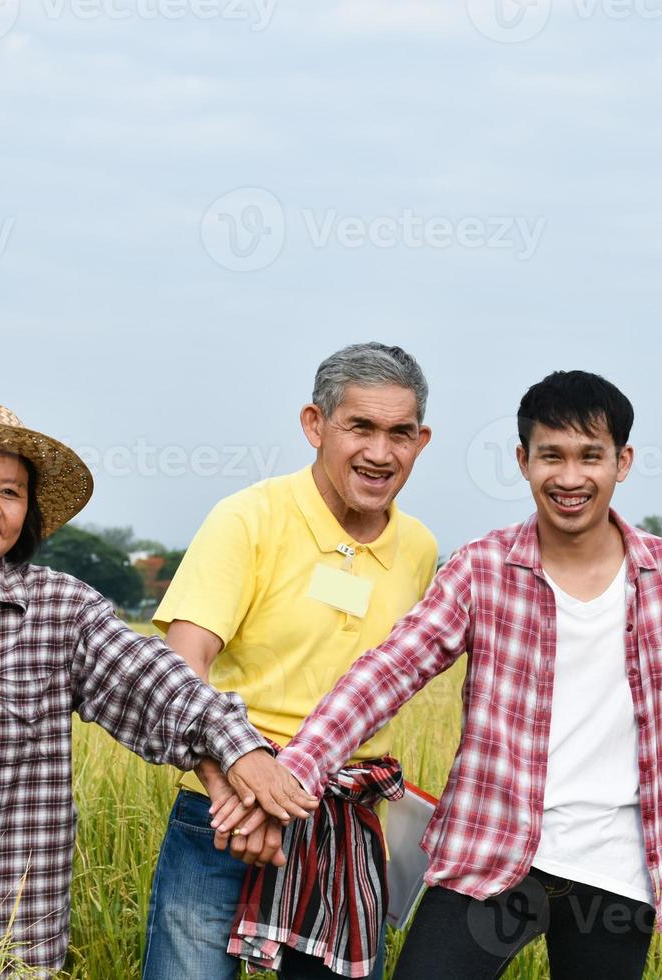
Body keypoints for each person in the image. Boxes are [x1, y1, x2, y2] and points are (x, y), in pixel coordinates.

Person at [260, 371, 662, 979]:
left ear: (623, 462)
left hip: (616, 868)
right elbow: (389, 671)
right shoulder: (484, 567)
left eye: (592, 457)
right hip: (493, 850)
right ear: (523, 461)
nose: (571, 477)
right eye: (550, 456)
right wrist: (293, 770)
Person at [0, 401, 313, 977]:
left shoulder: (64, 610)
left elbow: (154, 684)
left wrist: (238, 747)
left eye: (11, 492)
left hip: (7, 940)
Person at [140, 344, 440, 980]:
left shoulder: (419, 548)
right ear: (314, 424)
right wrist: (234, 785)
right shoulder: (249, 518)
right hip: (225, 813)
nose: (380, 453)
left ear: (422, 440)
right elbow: (181, 667)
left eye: (399, 433)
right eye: (359, 427)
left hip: (341, 821)